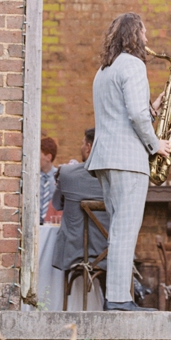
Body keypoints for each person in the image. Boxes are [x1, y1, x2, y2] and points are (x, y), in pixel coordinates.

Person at [85, 12, 169, 311]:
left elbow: (122, 112)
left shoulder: (104, 70)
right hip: (128, 159)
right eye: (144, 33)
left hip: (106, 158)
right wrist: (155, 143)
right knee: (125, 229)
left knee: (118, 228)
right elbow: (134, 115)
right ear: (135, 34)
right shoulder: (133, 65)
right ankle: (119, 299)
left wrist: (152, 109)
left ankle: (117, 297)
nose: (147, 40)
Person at [52, 127, 109, 298]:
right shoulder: (115, 178)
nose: (81, 147)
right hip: (108, 252)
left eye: (82, 143)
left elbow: (56, 204)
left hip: (74, 253)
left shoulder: (68, 173)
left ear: (89, 147)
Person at [39, 136, 59, 223]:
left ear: (48, 157)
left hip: (52, 226)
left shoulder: (59, 177)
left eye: (39, 154)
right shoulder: (32, 178)